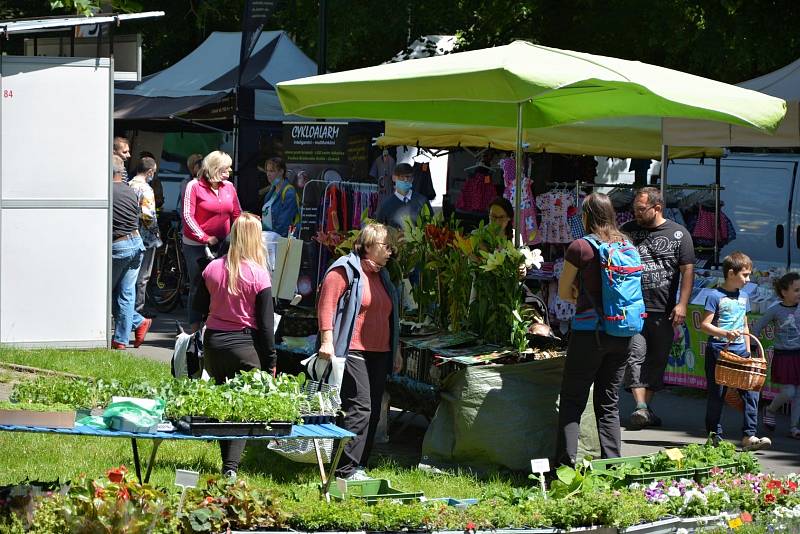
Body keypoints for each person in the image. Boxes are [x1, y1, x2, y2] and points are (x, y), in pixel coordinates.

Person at [555, 193, 638, 466]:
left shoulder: (580, 247)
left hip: (589, 334)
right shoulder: (627, 243)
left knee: (572, 400)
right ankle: (612, 467)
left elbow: (564, 291)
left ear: (587, 216)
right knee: (609, 403)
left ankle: (564, 468)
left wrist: (578, 295)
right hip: (623, 333)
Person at [316, 223, 402, 480]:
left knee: (374, 409)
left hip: (380, 351)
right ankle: (345, 469)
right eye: (386, 247)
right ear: (367, 246)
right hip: (352, 349)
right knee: (360, 408)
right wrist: (327, 341)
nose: (390, 252)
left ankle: (359, 465)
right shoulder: (345, 269)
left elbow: (390, 317)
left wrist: (395, 352)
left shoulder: (383, 276)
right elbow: (326, 305)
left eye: (392, 248)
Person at [193, 213, 276, 478]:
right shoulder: (259, 274)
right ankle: (230, 469)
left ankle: (226, 464)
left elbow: (196, 308)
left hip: (214, 345)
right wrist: (271, 361)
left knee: (222, 405)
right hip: (244, 345)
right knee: (241, 410)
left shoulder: (212, 268)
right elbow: (265, 326)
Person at [622, 186, 695, 429]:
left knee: (657, 360)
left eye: (641, 210)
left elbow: (687, 270)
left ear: (657, 208)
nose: (637, 214)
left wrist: (682, 304)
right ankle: (641, 407)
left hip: (664, 309)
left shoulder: (679, 234)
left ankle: (644, 410)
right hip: (633, 308)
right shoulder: (628, 231)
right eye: (635, 209)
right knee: (635, 355)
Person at [700, 251, 771, 451]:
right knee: (717, 394)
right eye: (745, 275)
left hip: (741, 352)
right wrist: (724, 333)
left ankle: (749, 436)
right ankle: (714, 436)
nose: (748, 279)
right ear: (731, 273)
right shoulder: (715, 296)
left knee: (751, 392)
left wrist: (747, 352)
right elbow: (705, 325)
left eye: (749, 275)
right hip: (719, 351)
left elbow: (745, 324)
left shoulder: (744, 296)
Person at [182, 150, 242, 330]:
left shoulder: (229, 187)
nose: (230, 170)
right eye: (226, 167)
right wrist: (205, 237)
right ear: (215, 167)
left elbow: (237, 213)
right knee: (198, 285)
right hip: (196, 246)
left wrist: (241, 233)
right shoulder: (194, 186)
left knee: (221, 285)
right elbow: (187, 216)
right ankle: (194, 329)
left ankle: (215, 326)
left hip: (223, 245)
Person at [111, 155, 152, 349]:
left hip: (119, 245)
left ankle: (133, 326)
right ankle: (122, 337)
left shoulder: (107, 191)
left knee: (104, 293)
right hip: (136, 243)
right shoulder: (130, 190)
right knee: (126, 293)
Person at [752, 272, 800, 439]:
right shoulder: (775, 310)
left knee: (798, 393)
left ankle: (794, 427)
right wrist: (753, 346)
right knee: (789, 392)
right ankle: (770, 410)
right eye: (796, 290)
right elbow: (757, 327)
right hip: (785, 356)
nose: (799, 293)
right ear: (784, 292)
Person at [129, 156, 162, 317]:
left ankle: (128, 309)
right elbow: (148, 215)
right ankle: (138, 310)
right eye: (154, 172)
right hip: (146, 238)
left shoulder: (129, 185)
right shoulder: (146, 189)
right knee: (143, 276)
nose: (153, 175)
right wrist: (156, 234)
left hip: (130, 234)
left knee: (130, 274)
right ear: (149, 171)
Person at [375, 163, 432, 230]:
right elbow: (379, 230)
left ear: (412, 179)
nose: (405, 180)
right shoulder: (386, 205)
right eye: (401, 177)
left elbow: (431, 226)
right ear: (394, 178)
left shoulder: (422, 201)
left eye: (408, 177)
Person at [261, 157, 299, 237]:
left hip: (280, 241)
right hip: (268, 239)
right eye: (267, 171)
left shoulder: (289, 192)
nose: (268, 174)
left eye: (272, 171)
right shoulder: (270, 193)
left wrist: (268, 237)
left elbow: (283, 225)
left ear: (281, 171)